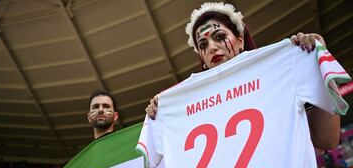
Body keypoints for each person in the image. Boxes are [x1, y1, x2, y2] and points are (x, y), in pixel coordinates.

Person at [145, 2, 340, 151]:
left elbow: (327, 140)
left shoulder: (276, 75)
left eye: (220, 37)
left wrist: (318, 64)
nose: (212, 47)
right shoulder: (189, 105)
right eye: (202, 45)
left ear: (240, 40)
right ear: (202, 58)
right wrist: (160, 114)